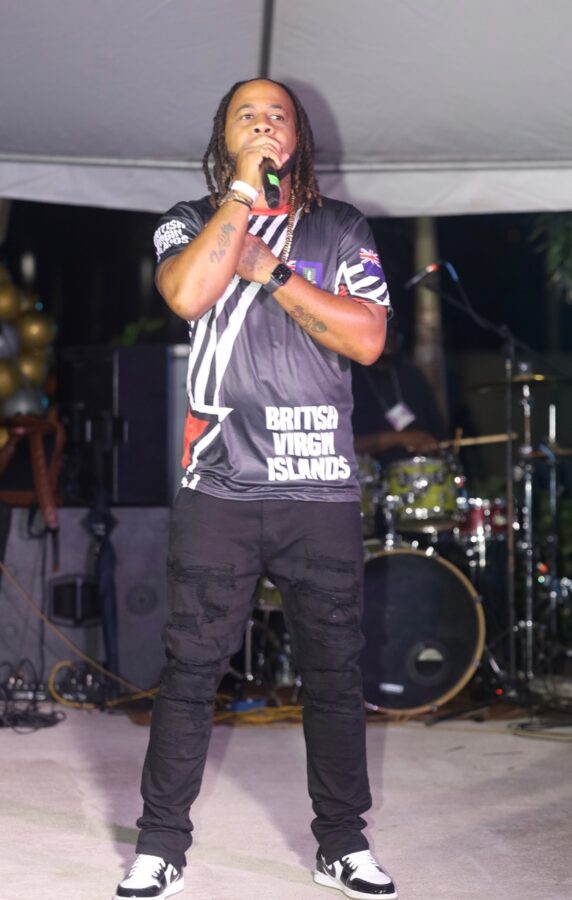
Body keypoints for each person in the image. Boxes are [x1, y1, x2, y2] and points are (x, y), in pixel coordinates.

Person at [114, 78, 397, 900]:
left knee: (335, 674)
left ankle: (341, 843)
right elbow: (186, 293)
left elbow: (368, 339)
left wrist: (272, 272)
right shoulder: (187, 220)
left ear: (299, 135)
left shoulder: (341, 228)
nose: (265, 124)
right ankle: (160, 844)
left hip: (319, 491)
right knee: (191, 669)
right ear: (224, 138)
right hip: (220, 487)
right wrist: (240, 201)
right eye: (248, 115)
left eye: (279, 114)